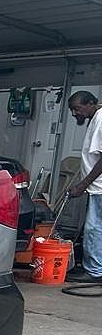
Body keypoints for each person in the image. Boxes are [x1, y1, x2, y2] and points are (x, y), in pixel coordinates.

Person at [66, 90, 102, 281]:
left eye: (77, 109)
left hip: (100, 187)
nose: (74, 113)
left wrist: (83, 184)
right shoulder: (95, 118)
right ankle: (95, 268)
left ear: (90, 103)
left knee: (94, 229)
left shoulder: (101, 120)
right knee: (95, 228)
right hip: (96, 187)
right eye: (72, 110)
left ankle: (95, 272)